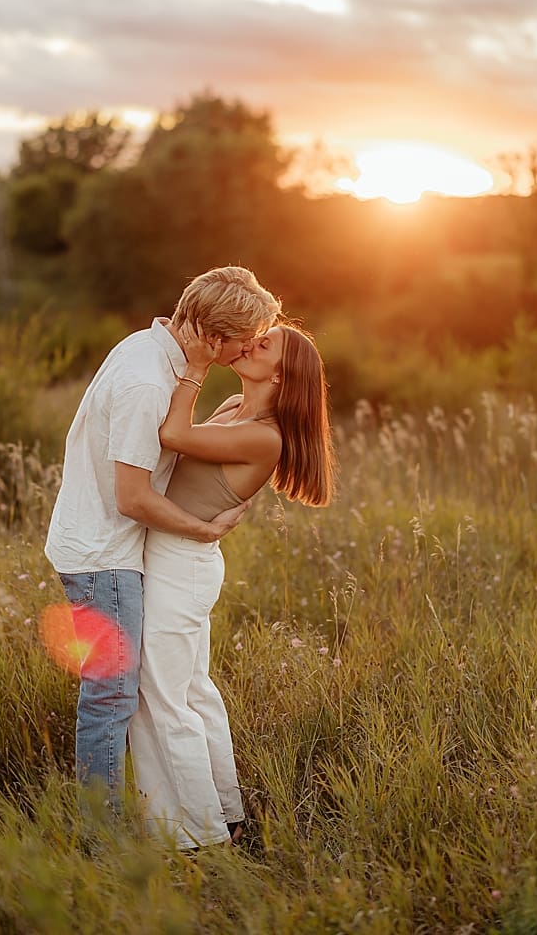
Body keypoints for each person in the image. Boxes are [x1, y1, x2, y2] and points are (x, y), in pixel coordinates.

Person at [45, 266, 281, 811]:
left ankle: (205, 811)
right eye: (243, 340)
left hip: (111, 546)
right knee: (111, 696)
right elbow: (133, 497)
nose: (249, 349)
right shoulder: (149, 380)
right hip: (105, 555)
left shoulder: (151, 352)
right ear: (215, 338)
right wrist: (203, 530)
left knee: (149, 691)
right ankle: (100, 834)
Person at [128, 321, 335, 850]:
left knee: (163, 696)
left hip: (183, 564)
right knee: (193, 692)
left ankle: (197, 834)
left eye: (264, 344)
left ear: (281, 375)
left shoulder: (263, 435)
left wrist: (196, 365)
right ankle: (226, 815)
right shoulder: (231, 413)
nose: (251, 343)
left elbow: (172, 436)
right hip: (178, 557)